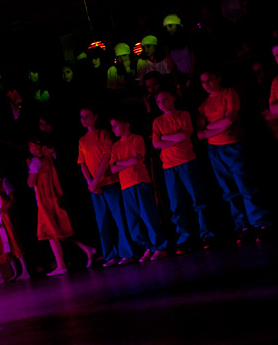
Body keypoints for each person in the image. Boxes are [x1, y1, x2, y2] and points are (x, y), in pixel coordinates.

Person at [196, 68, 272, 243]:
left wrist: (210, 128)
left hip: (233, 144)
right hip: (214, 150)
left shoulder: (229, 93)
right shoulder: (204, 104)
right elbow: (200, 133)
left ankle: (261, 223)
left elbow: (230, 119)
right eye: (203, 82)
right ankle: (243, 225)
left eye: (209, 80)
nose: (206, 85)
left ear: (218, 78)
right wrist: (217, 127)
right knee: (229, 190)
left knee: (246, 185)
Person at [152, 89, 216, 252]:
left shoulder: (183, 114)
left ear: (173, 98)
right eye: (158, 101)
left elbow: (185, 135)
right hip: (169, 166)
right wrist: (174, 137)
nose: (162, 104)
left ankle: (207, 233)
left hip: (187, 161)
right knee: (176, 204)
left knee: (198, 198)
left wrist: (165, 137)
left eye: (165, 99)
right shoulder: (157, 122)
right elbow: (156, 143)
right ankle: (184, 237)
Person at [27, 137, 97, 275]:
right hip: (55, 199)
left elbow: (30, 183)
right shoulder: (49, 158)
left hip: (46, 201)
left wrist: (30, 167)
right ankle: (86, 249)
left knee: (51, 234)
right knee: (60, 233)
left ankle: (61, 265)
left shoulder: (36, 161)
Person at [78, 106, 136, 267]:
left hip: (109, 182)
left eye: (87, 116)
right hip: (95, 187)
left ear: (95, 116)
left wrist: (97, 179)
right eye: (81, 117)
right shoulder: (82, 140)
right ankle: (110, 254)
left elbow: (106, 157)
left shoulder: (103, 134)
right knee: (102, 221)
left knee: (119, 217)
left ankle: (127, 252)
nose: (84, 119)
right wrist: (90, 182)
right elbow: (82, 163)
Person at [109, 114, 169, 262]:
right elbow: (113, 168)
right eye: (112, 126)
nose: (113, 129)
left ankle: (160, 247)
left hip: (140, 181)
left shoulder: (136, 139)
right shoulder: (115, 146)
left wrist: (121, 163)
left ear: (126, 124)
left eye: (116, 125)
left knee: (148, 216)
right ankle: (148, 246)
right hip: (126, 186)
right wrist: (126, 162)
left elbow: (136, 160)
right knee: (133, 222)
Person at [0, 158, 31, 281]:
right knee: (4, 244)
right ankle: (15, 271)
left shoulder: (3, 182)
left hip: (6, 217)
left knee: (13, 241)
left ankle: (25, 270)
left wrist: (2, 210)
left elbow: (12, 198)